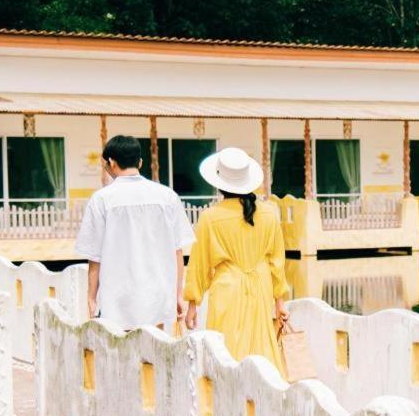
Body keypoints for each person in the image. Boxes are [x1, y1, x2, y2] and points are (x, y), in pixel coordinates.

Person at [183, 147, 290, 377]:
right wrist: (280, 301)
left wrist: (193, 303)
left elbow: (199, 264)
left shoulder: (210, 217)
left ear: (219, 183)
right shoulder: (270, 213)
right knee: (262, 348)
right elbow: (277, 263)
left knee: (226, 348)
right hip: (261, 287)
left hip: (227, 288)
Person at [75, 135, 195, 330]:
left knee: (119, 354)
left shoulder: (102, 200)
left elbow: (94, 257)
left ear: (111, 163)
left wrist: (91, 297)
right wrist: (178, 294)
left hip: (118, 298)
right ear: (140, 162)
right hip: (158, 295)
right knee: (155, 352)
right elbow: (177, 251)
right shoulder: (167, 196)